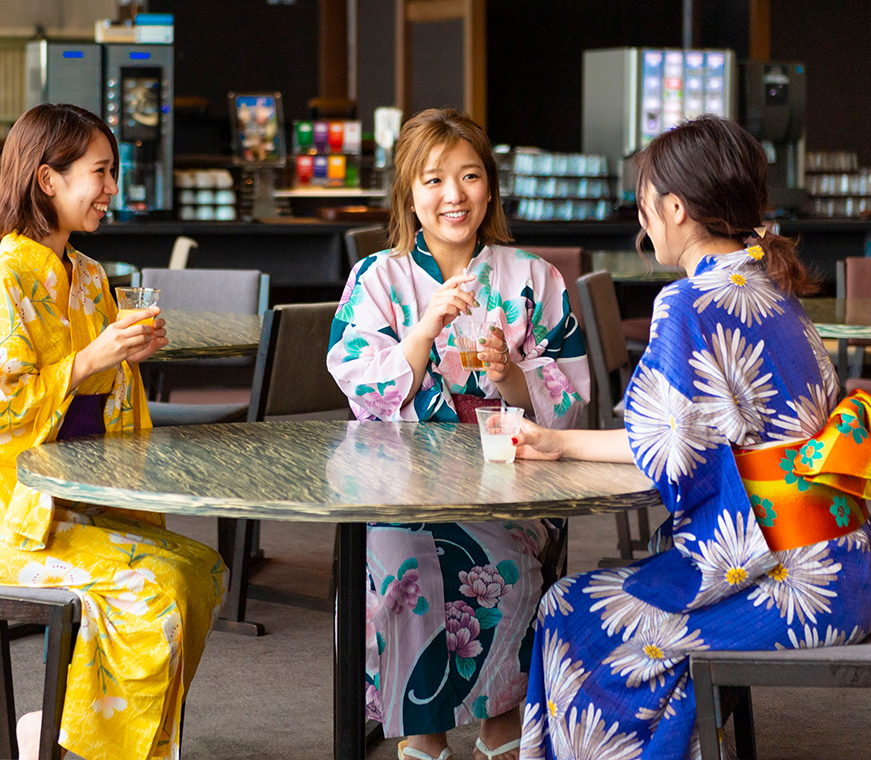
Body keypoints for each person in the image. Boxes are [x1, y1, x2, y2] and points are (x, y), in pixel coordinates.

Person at [514, 114, 871, 759]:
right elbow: (688, 438)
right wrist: (561, 442)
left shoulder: (687, 303)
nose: (641, 219)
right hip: (845, 561)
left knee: (569, 607)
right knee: (631, 614)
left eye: (646, 203)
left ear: (675, 208)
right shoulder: (777, 286)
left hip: (784, 577)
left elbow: (674, 456)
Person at [327, 108, 590, 760]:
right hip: (400, 484)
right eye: (434, 179)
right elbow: (361, 387)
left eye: (470, 176)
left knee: (505, 564)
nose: (454, 195)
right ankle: (425, 732)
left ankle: (502, 725)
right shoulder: (377, 279)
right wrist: (423, 329)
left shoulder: (534, 279)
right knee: (398, 562)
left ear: (490, 187)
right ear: (408, 193)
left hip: (510, 479)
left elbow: (573, 397)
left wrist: (513, 379)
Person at [0, 103, 227, 760]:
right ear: (47, 178)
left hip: (79, 501)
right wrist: (90, 361)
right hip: (10, 518)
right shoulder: (1, 278)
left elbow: (105, 404)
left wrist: (124, 363)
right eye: (102, 171)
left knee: (201, 570)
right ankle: (84, 747)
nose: (113, 189)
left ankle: (67, 736)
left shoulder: (89, 277)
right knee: (157, 586)